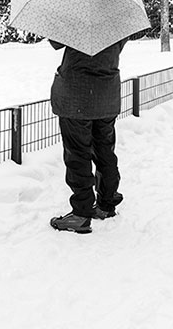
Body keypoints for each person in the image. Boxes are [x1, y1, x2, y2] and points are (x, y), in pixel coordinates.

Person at [49, 37, 127, 234]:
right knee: (105, 150)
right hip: (106, 96)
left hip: (76, 98)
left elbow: (55, 42)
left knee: (77, 154)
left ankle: (81, 214)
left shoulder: (76, 19)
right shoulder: (118, 19)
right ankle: (106, 205)